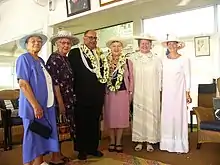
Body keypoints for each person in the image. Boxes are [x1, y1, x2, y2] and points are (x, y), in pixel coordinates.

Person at [16, 33, 59, 165]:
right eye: (33, 41)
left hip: (45, 105)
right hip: (32, 107)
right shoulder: (24, 58)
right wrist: (35, 106)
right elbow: (23, 84)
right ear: (26, 44)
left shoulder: (40, 60)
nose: (37, 43)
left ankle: (39, 162)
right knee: (32, 138)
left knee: (40, 137)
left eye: (39, 41)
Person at [68, 30, 109, 160]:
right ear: (84, 38)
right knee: (81, 123)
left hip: (97, 95)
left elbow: (103, 73)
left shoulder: (100, 53)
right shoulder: (75, 52)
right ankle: (82, 150)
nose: (93, 40)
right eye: (90, 38)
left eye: (95, 38)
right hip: (81, 95)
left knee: (94, 123)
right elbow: (71, 74)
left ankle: (93, 148)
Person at [46, 30, 79, 164]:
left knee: (63, 128)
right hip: (58, 100)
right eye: (63, 43)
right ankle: (54, 157)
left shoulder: (65, 59)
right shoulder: (54, 59)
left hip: (68, 99)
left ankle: (59, 154)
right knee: (57, 128)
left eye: (68, 43)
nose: (66, 45)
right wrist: (60, 103)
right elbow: (55, 84)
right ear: (57, 44)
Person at [160, 35, 192, 154]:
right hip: (166, 93)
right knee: (167, 118)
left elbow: (187, 76)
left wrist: (187, 93)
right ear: (167, 45)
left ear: (178, 45)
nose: (172, 45)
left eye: (174, 43)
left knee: (178, 117)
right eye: (170, 43)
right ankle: (167, 144)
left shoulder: (184, 59)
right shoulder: (163, 60)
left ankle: (179, 145)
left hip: (179, 94)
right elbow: (161, 78)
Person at [130, 34, 162, 152]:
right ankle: (139, 140)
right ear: (139, 45)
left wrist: (160, 90)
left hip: (152, 92)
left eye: (147, 44)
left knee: (151, 116)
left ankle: (150, 141)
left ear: (151, 45)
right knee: (139, 116)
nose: (144, 46)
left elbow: (161, 76)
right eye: (142, 44)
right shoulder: (132, 59)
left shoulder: (157, 59)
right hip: (138, 91)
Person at [104, 37, 134, 153]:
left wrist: (130, 92)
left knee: (121, 117)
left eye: (118, 46)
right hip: (109, 93)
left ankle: (119, 141)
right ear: (110, 48)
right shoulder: (105, 61)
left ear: (122, 48)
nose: (116, 48)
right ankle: (112, 140)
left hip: (123, 93)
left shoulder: (127, 61)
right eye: (114, 46)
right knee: (110, 117)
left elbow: (131, 78)